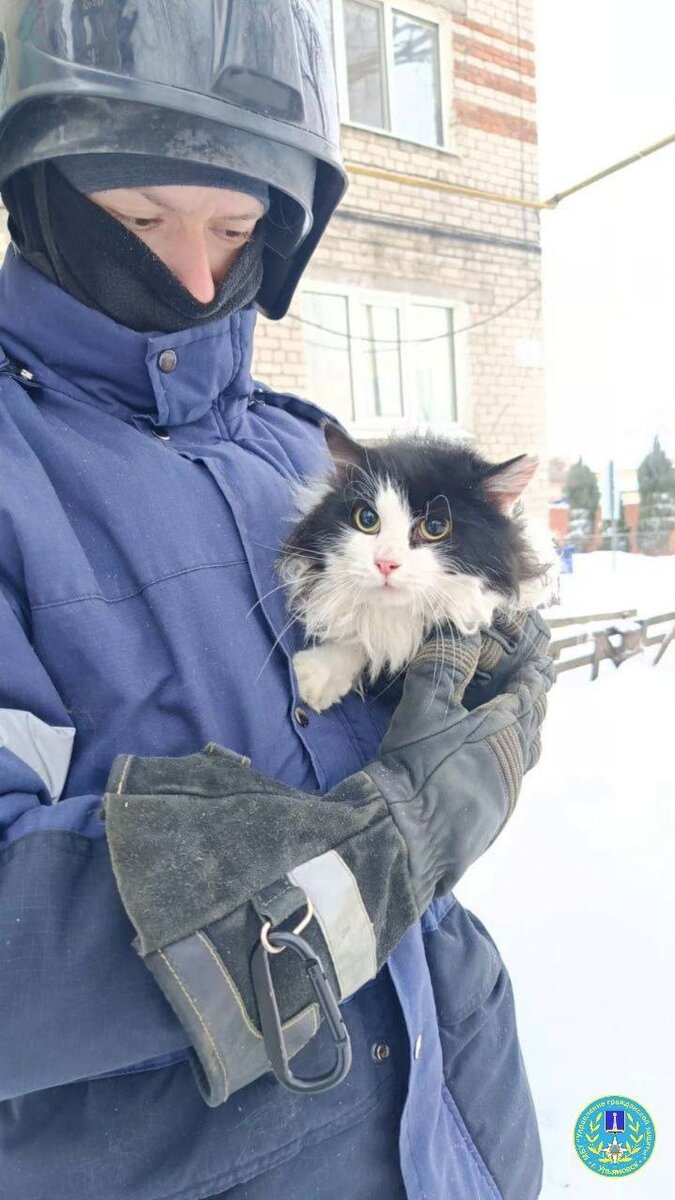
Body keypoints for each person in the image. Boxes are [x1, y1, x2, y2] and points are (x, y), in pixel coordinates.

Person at [0, 4, 552, 1199]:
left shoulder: (303, 460)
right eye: (140, 219)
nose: (197, 273)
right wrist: (386, 840)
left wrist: (483, 687)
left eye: (237, 225)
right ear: (41, 190)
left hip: (450, 1134)